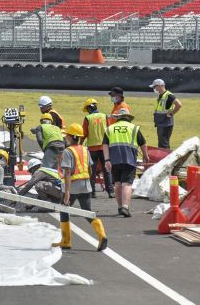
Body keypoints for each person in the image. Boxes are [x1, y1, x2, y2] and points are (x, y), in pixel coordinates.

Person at [53, 123, 108, 251]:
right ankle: (102, 235)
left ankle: (66, 241)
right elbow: (89, 168)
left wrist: (66, 192)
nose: (65, 137)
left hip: (72, 186)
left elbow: (67, 172)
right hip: (86, 185)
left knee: (64, 210)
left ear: (72, 137)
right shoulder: (85, 149)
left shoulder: (68, 151)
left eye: (67, 135)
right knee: (87, 212)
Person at [103, 108, 149, 217]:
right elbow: (143, 143)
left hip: (114, 160)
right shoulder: (134, 128)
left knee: (118, 184)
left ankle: (120, 207)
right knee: (127, 183)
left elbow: (105, 145)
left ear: (118, 117)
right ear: (129, 118)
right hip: (129, 159)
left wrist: (107, 160)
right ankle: (125, 207)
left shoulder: (110, 128)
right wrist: (146, 156)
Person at [82, 98, 114, 198]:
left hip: (92, 148)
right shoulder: (104, 116)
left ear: (88, 109)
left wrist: (79, 144)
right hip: (105, 148)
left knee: (92, 171)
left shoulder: (88, 118)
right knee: (107, 170)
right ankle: (110, 191)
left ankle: (92, 192)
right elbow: (109, 130)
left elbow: (84, 134)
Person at [150, 79, 182, 150]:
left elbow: (179, 104)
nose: (154, 89)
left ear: (160, 86)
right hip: (161, 123)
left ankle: (166, 159)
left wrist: (171, 113)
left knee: (164, 144)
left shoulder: (169, 95)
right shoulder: (161, 95)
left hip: (166, 123)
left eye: (155, 87)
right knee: (162, 143)